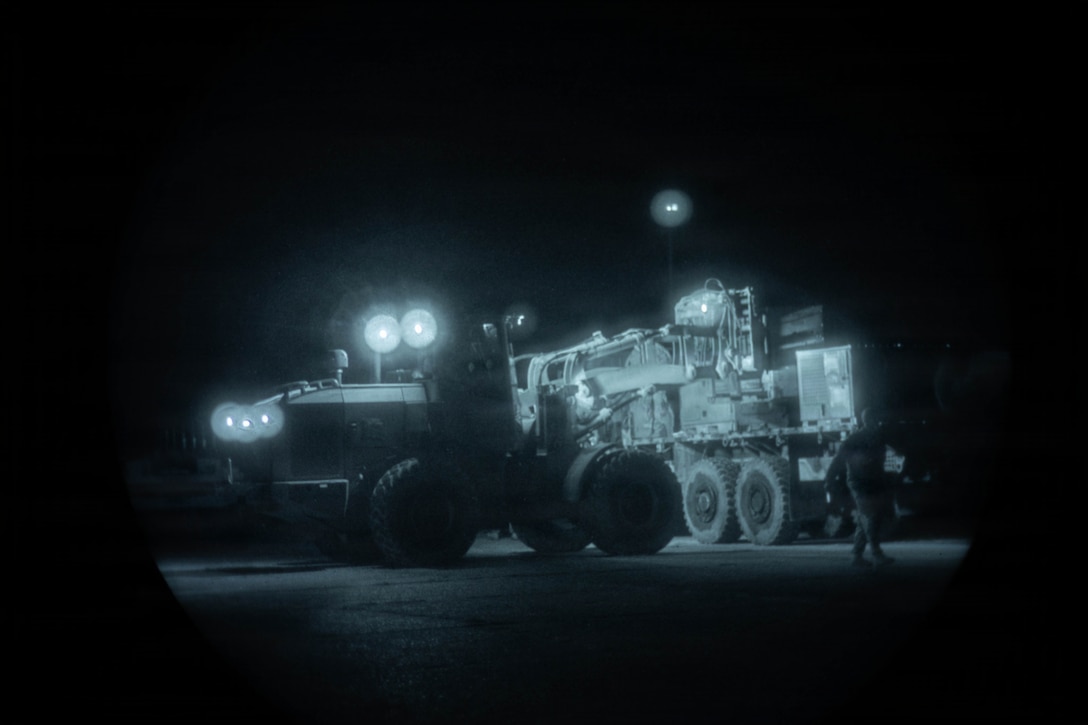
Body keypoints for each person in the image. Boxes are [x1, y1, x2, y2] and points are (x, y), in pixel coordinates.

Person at [825, 408, 896, 567]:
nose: (877, 423)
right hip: (859, 483)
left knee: (871, 517)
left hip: (873, 482)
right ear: (867, 421)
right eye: (874, 420)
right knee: (870, 516)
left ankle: (856, 555)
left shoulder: (878, 437)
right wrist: (829, 480)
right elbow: (838, 460)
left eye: (878, 420)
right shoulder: (855, 439)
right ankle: (876, 554)